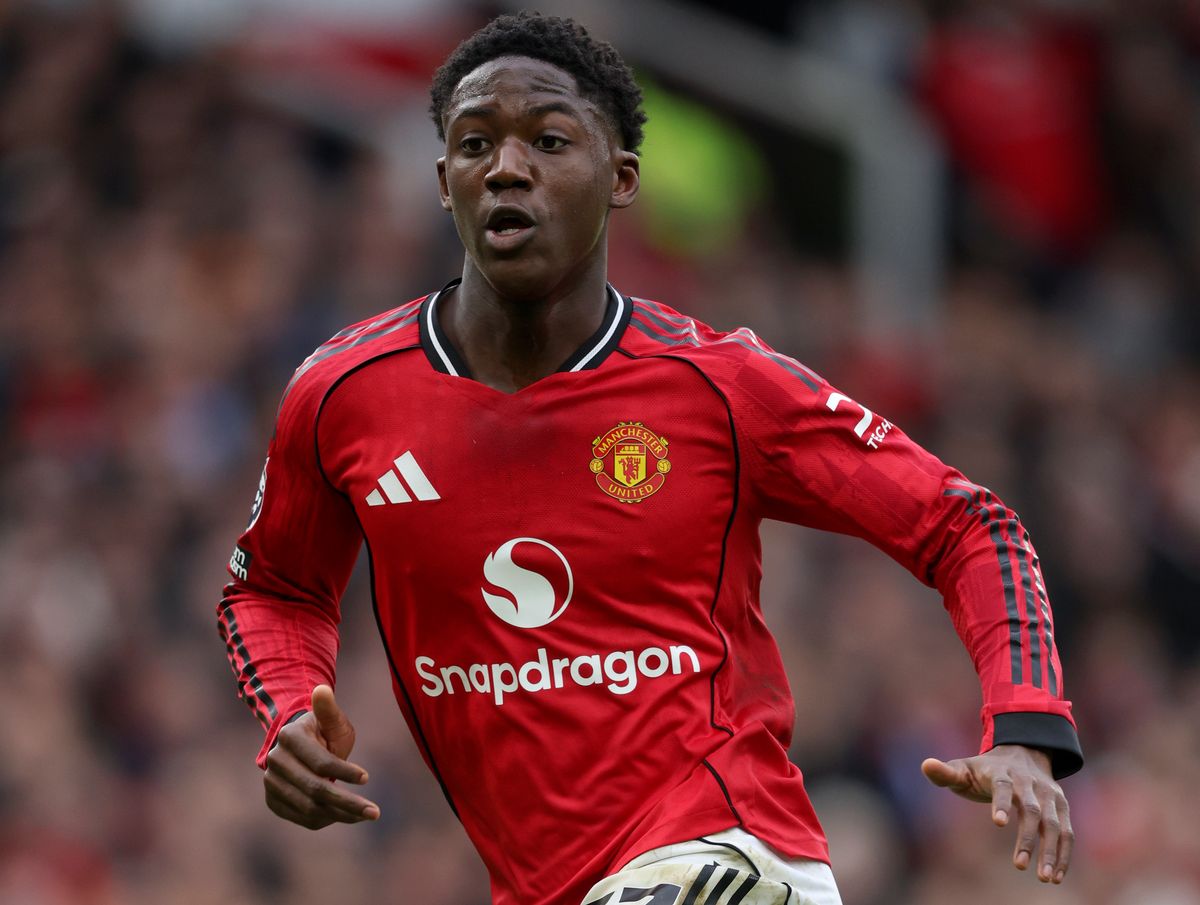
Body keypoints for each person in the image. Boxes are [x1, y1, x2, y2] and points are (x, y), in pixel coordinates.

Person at [218, 12, 1082, 905]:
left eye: (550, 140)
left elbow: (965, 521)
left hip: (733, 851)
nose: (508, 167)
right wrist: (290, 709)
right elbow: (275, 587)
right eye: (476, 143)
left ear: (621, 177)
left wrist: (1025, 723)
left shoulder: (718, 384)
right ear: (445, 181)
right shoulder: (341, 394)